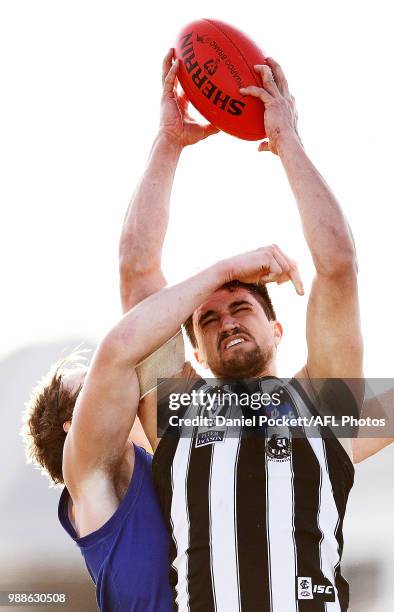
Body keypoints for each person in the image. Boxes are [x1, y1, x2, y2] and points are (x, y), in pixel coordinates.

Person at [131, 56, 365, 612]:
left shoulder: (321, 400)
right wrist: (167, 144)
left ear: (278, 327)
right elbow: (137, 269)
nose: (226, 321)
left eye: (240, 307)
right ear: (195, 349)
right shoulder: (177, 410)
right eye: (207, 319)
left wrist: (287, 139)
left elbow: (338, 264)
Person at [22, 48, 219, 612]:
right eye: (88, 391)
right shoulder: (88, 480)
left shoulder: (167, 443)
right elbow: (123, 341)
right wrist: (224, 270)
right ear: (71, 423)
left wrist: (168, 142)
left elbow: (137, 269)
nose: (117, 381)